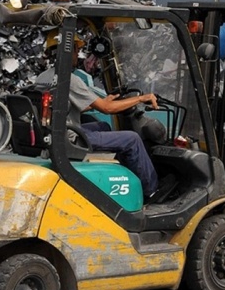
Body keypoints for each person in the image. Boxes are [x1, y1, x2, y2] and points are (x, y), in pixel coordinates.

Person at [39, 33, 160, 201]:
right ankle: (151, 192)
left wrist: (100, 102)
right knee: (132, 139)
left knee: (103, 127)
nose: (78, 55)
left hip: (55, 131)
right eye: (77, 50)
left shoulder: (44, 77)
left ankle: (124, 172)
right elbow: (107, 109)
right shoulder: (69, 79)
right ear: (68, 51)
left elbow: (63, 106)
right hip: (69, 138)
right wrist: (141, 98)